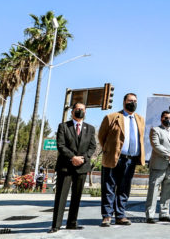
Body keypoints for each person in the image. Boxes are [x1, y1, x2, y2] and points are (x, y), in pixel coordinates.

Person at [98, 93, 145, 227]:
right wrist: (109, 150)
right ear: (124, 102)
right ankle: (107, 216)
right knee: (109, 187)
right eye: (130, 100)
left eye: (135, 101)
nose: (133, 103)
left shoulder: (140, 119)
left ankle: (120, 215)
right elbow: (101, 137)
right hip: (113, 158)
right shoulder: (112, 117)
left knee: (124, 188)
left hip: (131, 160)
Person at [49, 102, 96, 233]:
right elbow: (61, 145)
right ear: (72, 111)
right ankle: (56, 225)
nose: (80, 111)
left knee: (77, 197)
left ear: (85, 112)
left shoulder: (90, 128)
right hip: (66, 167)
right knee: (61, 197)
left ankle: (72, 223)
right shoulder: (63, 126)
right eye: (77, 109)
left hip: (82, 167)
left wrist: (83, 158)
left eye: (82, 109)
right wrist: (72, 157)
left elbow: (92, 147)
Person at [145, 110, 170, 223]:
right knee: (153, 192)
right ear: (161, 118)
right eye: (166, 118)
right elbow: (156, 145)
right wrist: (169, 155)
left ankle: (164, 214)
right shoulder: (155, 130)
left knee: (168, 191)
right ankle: (150, 215)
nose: (168, 120)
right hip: (158, 166)